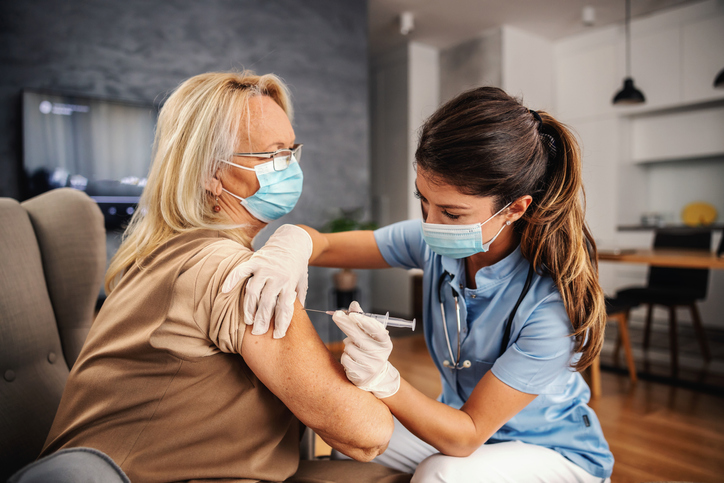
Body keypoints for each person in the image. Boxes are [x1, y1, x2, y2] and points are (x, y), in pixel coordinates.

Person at [39, 71, 412, 483]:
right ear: (210, 173)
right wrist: (372, 374)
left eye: (291, 151)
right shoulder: (233, 272)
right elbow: (367, 434)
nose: (289, 168)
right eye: (273, 155)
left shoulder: (159, 253)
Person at [227, 87, 615, 482]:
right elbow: (325, 244)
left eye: (451, 212)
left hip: (549, 450)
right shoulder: (438, 242)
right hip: (461, 428)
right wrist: (292, 243)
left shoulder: (551, 310)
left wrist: (384, 379)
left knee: (440, 473)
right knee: (344, 425)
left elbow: (466, 437)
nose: (431, 224)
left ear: (515, 208)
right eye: (423, 201)